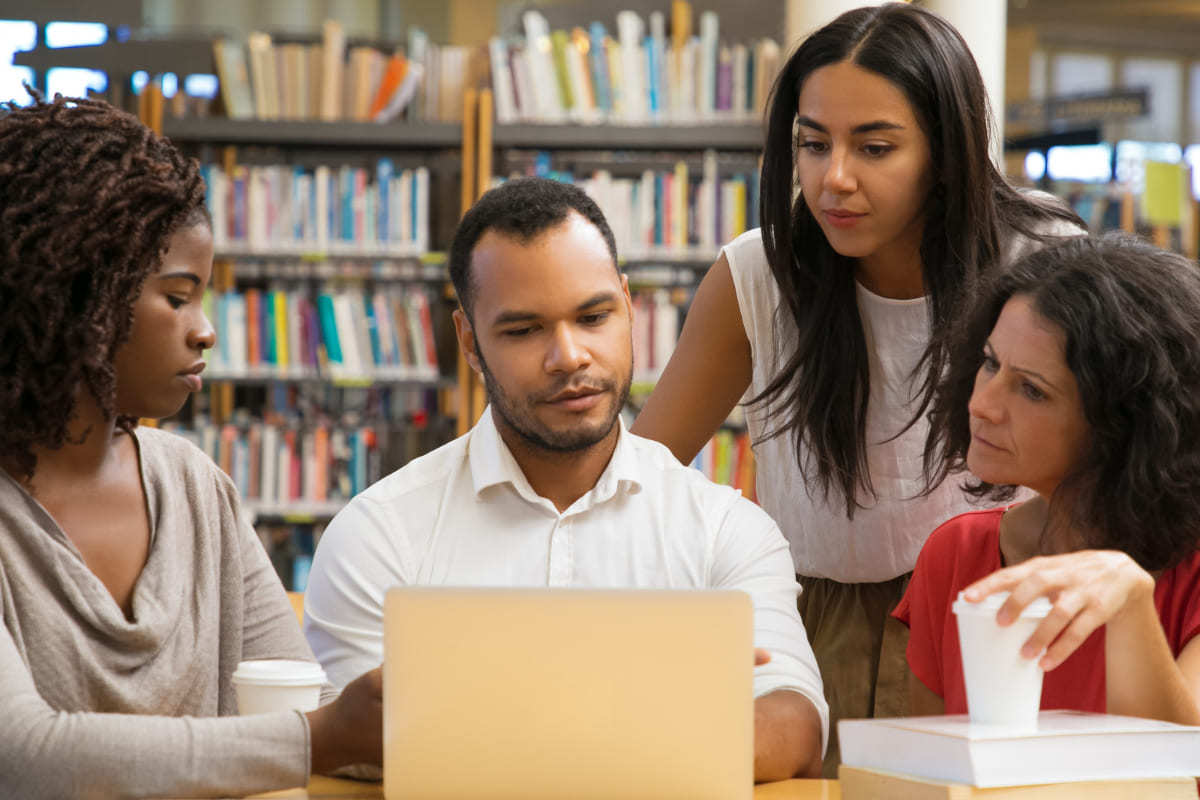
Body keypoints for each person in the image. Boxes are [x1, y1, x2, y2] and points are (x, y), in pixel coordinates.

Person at [629, 2, 1083, 772]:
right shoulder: (759, 275)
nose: (834, 179)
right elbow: (636, 479)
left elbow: (1108, 460)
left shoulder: (1039, 260)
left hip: (994, 615)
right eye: (812, 144)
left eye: (874, 147)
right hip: (809, 625)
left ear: (946, 150)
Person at [303, 177, 828, 781]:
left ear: (629, 308)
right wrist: (665, 719)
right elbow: (359, 747)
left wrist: (485, 724)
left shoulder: (726, 529)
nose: (569, 356)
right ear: (470, 342)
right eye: (524, 330)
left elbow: (793, 728)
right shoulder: (379, 534)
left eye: (593, 316)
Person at [0, 94, 382, 798]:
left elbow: (295, 702)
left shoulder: (196, 487)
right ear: (81, 292)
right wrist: (320, 737)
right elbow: (25, 758)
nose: (205, 330)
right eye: (177, 298)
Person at [895, 234, 1200, 723]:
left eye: (1032, 391)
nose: (982, 405)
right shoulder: (956, 556)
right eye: (990, 362)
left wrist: (1130, 604)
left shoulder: (1192, 575)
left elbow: (1178, 773)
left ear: (1123, 422)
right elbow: (940, 782)